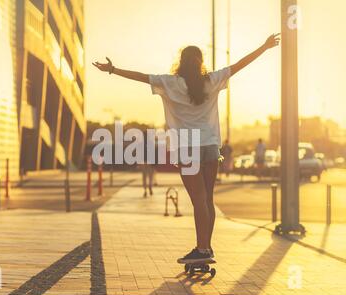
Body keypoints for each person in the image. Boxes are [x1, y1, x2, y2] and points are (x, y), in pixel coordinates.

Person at [93, 34, 280, 264]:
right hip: (211, 146)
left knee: (199, 200)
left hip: (188, 148)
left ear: (180, 62)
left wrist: (113, 69)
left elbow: (141, 77)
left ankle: (202, 250)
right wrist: (264, 46)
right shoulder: (211, 80)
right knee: (207, 200)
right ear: (200, 62)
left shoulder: (171, 83)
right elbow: (238, 65)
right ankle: (206, 248)